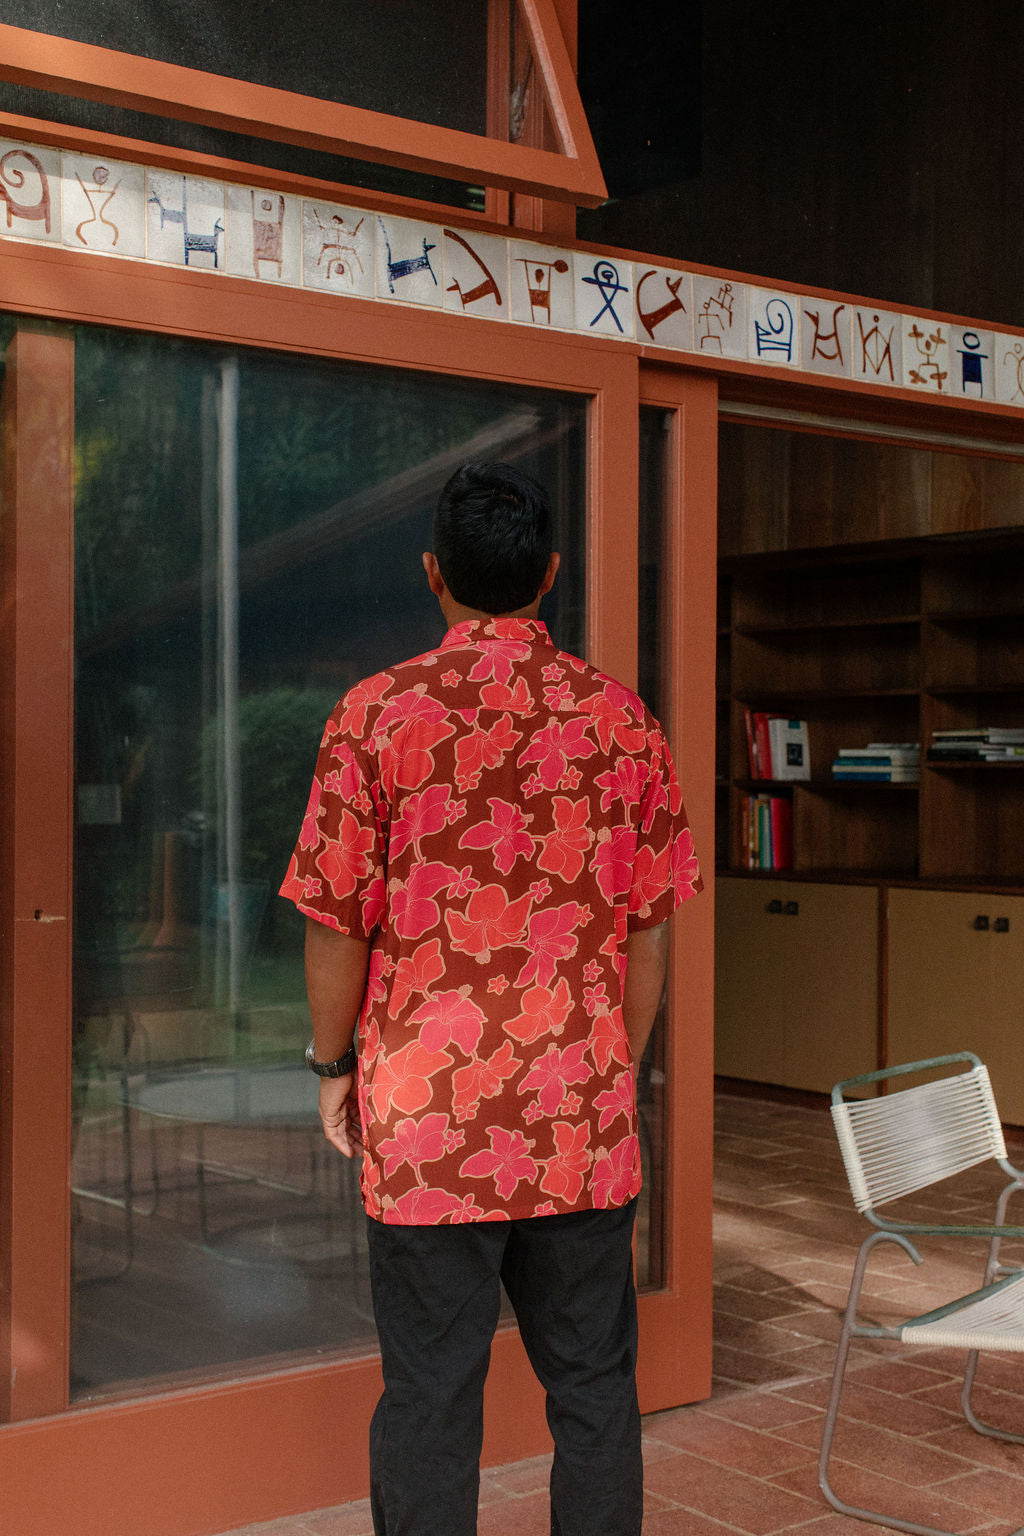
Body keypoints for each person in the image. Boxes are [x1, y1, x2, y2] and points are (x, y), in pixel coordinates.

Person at [280, 461, 701, 1536]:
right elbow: (650, 929)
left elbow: (335, 920)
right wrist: (613, 1067)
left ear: (433, 574)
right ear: (550, 574)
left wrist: (333, 1067)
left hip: (430, 1123)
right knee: (594, 1388)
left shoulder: (375, 716)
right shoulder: (623, 721)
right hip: (579, 1118)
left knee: (429, 1396)